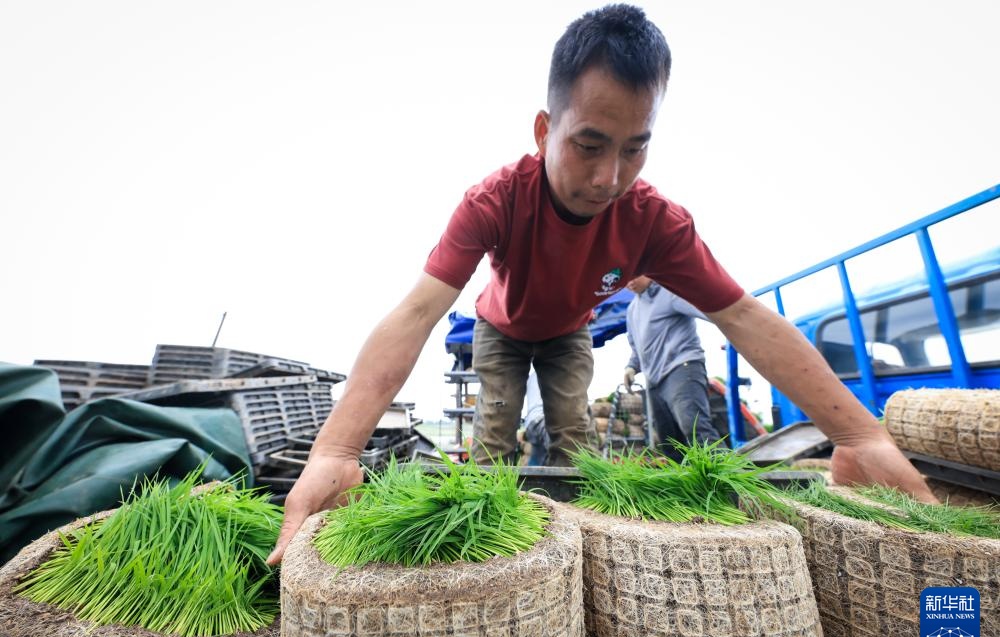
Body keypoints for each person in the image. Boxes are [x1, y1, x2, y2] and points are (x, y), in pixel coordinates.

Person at [267, 3, 936, 565]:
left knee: (573, 440)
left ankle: (575, 544)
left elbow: (744, 317)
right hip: (501, 328)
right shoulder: (496, 200)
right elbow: (417, 312)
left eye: (634, 147)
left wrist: (860, 436)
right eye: (589, 144)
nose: (608, 177)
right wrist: (337, 447)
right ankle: (484, 542)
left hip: (566, 333)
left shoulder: (654, 222)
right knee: (497, 435)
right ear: (544, 129)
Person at [624, 276, 720, 454]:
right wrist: (631, 367)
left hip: (682, 368)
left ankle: (724, 479)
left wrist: (732, 320)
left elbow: (708, 310)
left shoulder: (670, 293)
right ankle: (686, 481)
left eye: (634, 274)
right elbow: (637, 347)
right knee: (669, 440)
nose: (628, 281)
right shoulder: (632, 310)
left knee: (694, 426)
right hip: (654, 380)